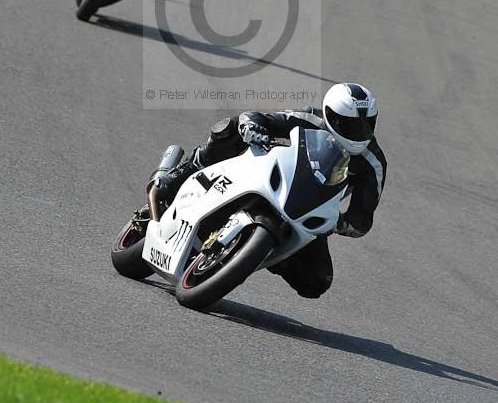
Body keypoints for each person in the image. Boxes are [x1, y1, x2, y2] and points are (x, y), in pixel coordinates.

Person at [152, 83, 387, 299]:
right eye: (351, 125)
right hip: (278, 176)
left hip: (310, 209)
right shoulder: (310, 118)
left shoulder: (373, 162)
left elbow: (363, 216)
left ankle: (266, 253)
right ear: (330, 116)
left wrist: (343, 223)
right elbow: (258, 117)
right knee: (230, 127)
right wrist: (251, 128)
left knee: (316, 281)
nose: (359, 133)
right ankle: (186, 170)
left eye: (367, 125)